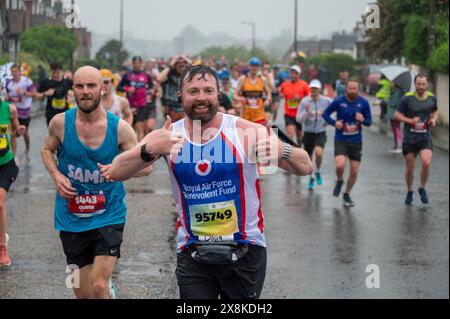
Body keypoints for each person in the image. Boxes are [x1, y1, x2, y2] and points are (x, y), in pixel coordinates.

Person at [99, 64, 312, 299]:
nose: (201, 98)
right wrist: (150, 149)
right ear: (180, 96)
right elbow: (116, 171)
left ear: (218, 95)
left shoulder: (243, 132)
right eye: (193, 91)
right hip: (193, 253)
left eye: (208, 91)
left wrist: (283, 150)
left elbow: (305, 166)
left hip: (245, 250)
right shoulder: (169, 136)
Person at [40, 66, 153, 299]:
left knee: (99, 286)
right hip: (70, 217)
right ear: (73, 90)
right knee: (82, 293)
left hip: (108, 213)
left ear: (102, 88)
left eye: (91, 85)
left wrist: (118, 170)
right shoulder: (59, 123)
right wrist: (57, 175)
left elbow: (146, 168)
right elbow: (46, 149)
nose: (85, 91)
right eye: (80, 86)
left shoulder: (120, 128)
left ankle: (106, 286)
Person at [323, 78, 372, 207]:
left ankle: (347, 194)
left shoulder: (364, 103)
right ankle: (339, 180)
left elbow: (369, 122)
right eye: (350, 88)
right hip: (341, 138)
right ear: (346, 88)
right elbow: (325, 114)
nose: (352, 91)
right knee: (340, 165)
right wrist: (335, 123)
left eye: (354, 88)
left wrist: (362, 119)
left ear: (358, 89)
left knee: (354, 171)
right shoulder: (339, 101)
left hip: (356, 140)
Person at [394, 74, 438, 205]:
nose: (421, 87)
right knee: (410, 169)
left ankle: (422, 188)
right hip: (410, 138)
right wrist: (409, 121)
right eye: (418, 84)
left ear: (427, 84)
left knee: (426, 162)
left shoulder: (432, 98)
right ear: (415, 84)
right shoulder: (407, 99)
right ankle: (409, 191)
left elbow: (435, 112)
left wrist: (434, 120)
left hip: (425, 136)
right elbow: (397, 115)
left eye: (423, 84)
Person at [0, 95, 25, 267]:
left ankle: (2, 249)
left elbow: (16, 130)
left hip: (5, 165)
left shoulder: (9, 109)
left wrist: (19, 130)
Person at [296, 80, 331, 190]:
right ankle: (311, 178)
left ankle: (318, 172)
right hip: (308, 133)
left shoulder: (326, 101)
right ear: (310, 89)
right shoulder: (305, 101)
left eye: (316, 88)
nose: (314, 90)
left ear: (319, 89)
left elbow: (335, 110)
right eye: (312, 88)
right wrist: (306, 112)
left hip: (320, 132)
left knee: (319, 152)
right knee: (309, 159)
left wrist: (328, 120)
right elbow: (299, 119)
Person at [5, 64, 36, 162]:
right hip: (13, 111)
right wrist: (7, 97)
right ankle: (14, 156)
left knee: (24, 133)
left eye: (16, 71)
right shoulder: (8, 82)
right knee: (13, 133)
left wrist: (25, 93)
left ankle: (27, 150)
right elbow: (7, 94)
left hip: (24, 111)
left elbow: (34, 93)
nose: (14, 74)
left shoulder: (26, 81)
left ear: (19, 72)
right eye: (12, 72)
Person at [118, 56, 153, 142]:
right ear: (132, 64)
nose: (137, 65)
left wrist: (150, 92)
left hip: (142, 105)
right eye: (135, 63)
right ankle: (132, 147)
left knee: (139, 126)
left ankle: (138, 149)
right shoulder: (127, 76)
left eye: (138, 63)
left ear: (141, 64)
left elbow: (151, 87)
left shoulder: (146, 75)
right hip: (130, 105)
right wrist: (127, 89)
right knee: (131, 128)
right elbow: (119, 87)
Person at [279, 65, 310, 147]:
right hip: (289, 114)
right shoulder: (284, 84)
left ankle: (299, 150)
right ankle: (289, 156)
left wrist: (300, 99)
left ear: (299, 75)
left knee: (299, 137)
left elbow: (309, 99)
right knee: (290, 136)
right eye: (292, 73)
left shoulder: (304, 85)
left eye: (295, 73)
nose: (293, 75)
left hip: (300, 115)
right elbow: (279, 92)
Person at [235, 57, 272, 125]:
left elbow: (269, 94)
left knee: (263, 133)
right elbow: (235, 95)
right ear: (249, 66)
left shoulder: (262, 80)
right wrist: (240, 98)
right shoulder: (243, 79)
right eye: (252, 65)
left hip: (259, 117)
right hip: (246, 117)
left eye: (256, 66)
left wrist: (268, 100)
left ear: (259, 67)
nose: (254, 68)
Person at [158, 55, 191, 121]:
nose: (181, 68)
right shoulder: (170, 74)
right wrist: (171, 65)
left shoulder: (189, 74)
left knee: (188, 128)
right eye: (179, 66)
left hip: (185, 107)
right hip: (171, 107)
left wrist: (187, 60)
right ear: (175, 66)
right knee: (172, 129)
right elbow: (159, 79)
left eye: (183, 66)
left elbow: (197, 69)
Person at [387, 84, 405, 153]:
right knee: (394, 128)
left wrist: (389, 101)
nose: (391, 83)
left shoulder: (399, 91)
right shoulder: (394, 90)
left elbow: (396, 102)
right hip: (392, 113)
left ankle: (399, 145)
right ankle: (396, 145)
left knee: (396, 128)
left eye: (392, 82)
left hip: (395, 113)